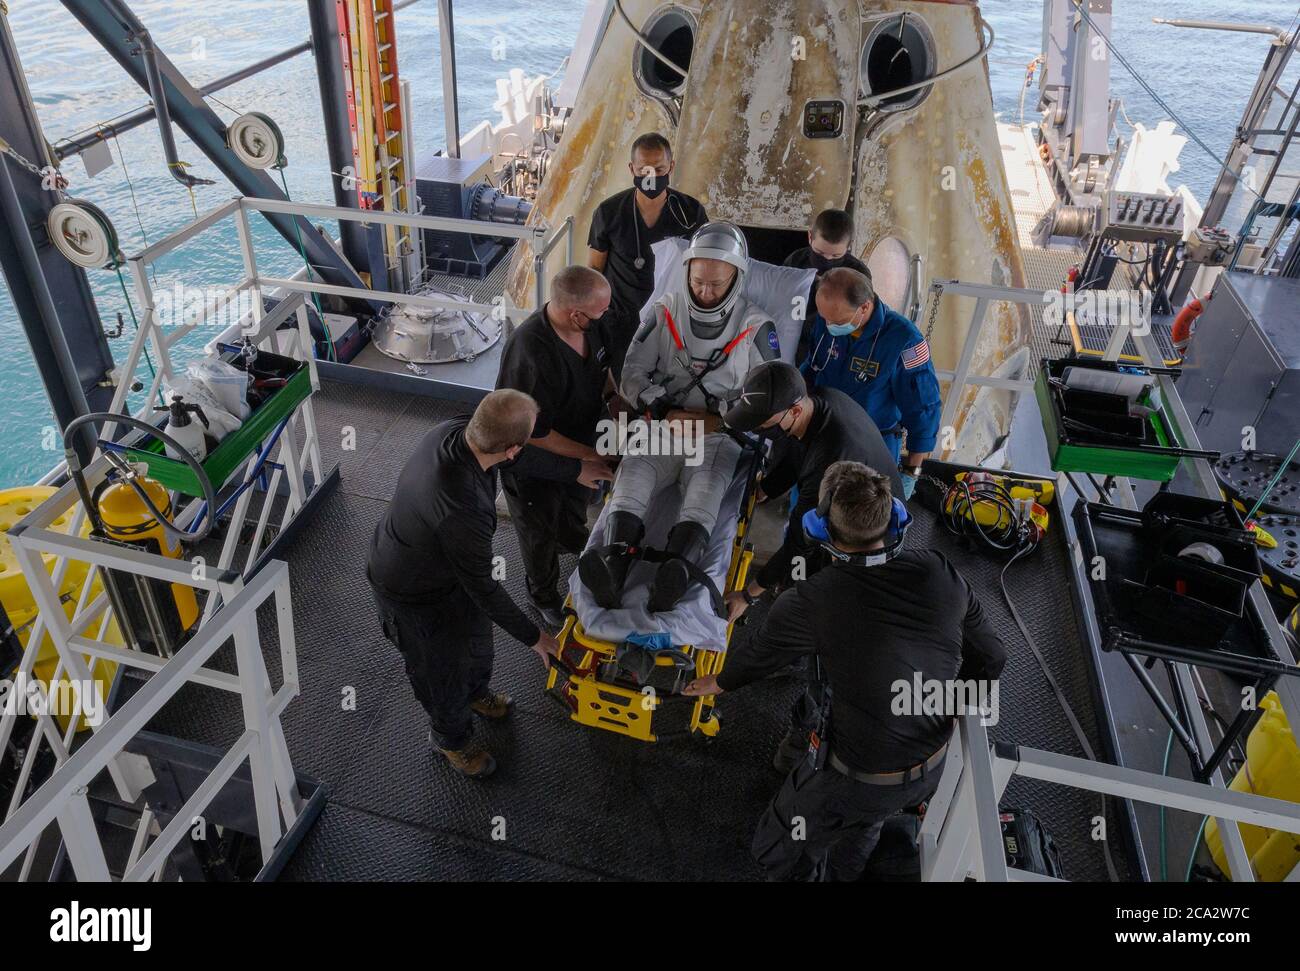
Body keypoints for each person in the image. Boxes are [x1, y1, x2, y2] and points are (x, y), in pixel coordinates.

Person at [684, 461, 1005, 881]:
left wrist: (714, 683)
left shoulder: (809, 600)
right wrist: (947, 705)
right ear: (895, 521)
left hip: (857, 778)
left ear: (824, 532)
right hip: (933, 765)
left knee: (779, 845)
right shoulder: (939, 571)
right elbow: (994, 656)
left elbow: (758, 659)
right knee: (862, 828)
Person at [578, 221, 778, 613]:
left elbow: (766, 396)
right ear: (687, 271)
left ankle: (676, 571)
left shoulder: (757, 327)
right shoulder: (665, 310)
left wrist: (719, 420)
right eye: (699, 281)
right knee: (633, 479)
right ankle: (613, 564)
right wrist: (663, 409)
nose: (705, 292)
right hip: (663, 424)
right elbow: (632, 373)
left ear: (737, 277)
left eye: (716, 284)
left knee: (705, 491)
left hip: (719, 435)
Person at [367, 390, 561, 779]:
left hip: (445, 566)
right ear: (510, 449)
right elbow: (484, 587)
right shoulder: (462, 507)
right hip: (411, 593)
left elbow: (523, 457)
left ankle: (476, 695)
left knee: (475, 641)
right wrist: (536, 637)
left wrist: (579, 468)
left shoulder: (457, 429)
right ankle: (449, 740)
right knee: (441, 673)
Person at [722, 360, 903, 771]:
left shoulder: (827, 466)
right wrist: (765, 489)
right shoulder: (822, 404)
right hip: (852, 512)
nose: (764, 430)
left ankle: (807, 727)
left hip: (867, 542)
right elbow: (793, 457)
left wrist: (749, 593)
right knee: (800, 588)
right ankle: (793, 651)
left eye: (766, 423)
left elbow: (800, 545)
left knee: (828, 632)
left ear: (793, 411)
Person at [495, 266, 617, 628]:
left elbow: (602, 367)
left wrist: (615, 398)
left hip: (579, 440)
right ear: (574, 313)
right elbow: (533, 434)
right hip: (533, 461)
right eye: (598, 313)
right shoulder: (529, 352)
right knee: (538, 532)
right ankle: (542, 595)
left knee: (574, 508)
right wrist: (590, 456)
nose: (604, 318)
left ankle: (570, 541)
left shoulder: (589, 327)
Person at [803, 267, 941, 498]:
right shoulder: (827, 321)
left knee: (859, 517)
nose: (828, 326)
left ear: (864, 307)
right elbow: (812, 367)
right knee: (809, 509)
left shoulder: (904, 341)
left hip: (872, 447)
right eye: (824, 318)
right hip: (823, 436)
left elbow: (923, 409)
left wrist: (910, 473)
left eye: (836, 320)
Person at [588, 132, 708, 378]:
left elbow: (703, 265)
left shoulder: (690, 212)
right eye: (643, 170)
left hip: (673, 320)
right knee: (622, 387)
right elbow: (594, 270)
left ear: (671, 167)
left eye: (659, 168)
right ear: (632, 169)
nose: (651, 176)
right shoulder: (609, 212)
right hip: (621, 320)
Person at [782, 208, 873, 366]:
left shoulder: (858, 275)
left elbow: (861, 319)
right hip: (795, 338)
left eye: (836, 256)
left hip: (835, 345)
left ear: (848, 246)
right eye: (819, 252)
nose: (827, 260)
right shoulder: (796, 261)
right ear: (810, 237)